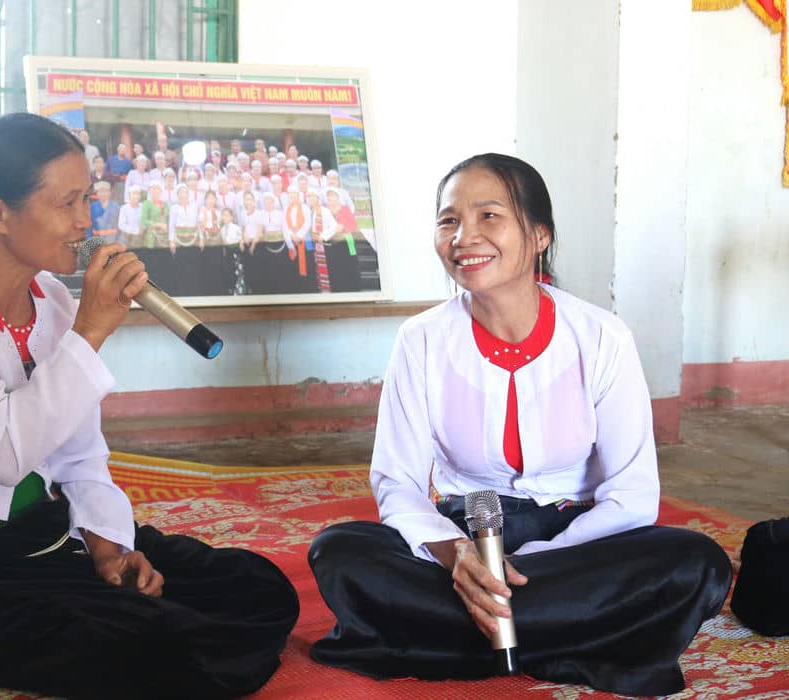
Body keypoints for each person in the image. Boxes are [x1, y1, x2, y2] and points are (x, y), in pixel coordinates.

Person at [0, 113, 299, 699]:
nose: (86, 221)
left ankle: (146, 618)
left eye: (88, 200)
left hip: (52, 535)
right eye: (67, 203)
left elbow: (78, 454)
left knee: (258, 587)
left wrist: (109, 546)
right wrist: (92, 332)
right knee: (162, 644)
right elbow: (3, 455)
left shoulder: (52, 299)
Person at [307, 153, 731, 697]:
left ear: (539, 235)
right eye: (448, 220)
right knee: (340, 550)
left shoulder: (602, 337)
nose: (464, 237)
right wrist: (459, 556)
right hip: (464, 536)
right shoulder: (421, 340)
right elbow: (397, 483)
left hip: (575, 545)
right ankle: (570, 637)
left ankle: (452, 640)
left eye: (488, 216)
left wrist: (522, 565)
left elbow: (631, 496)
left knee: (697, 563)